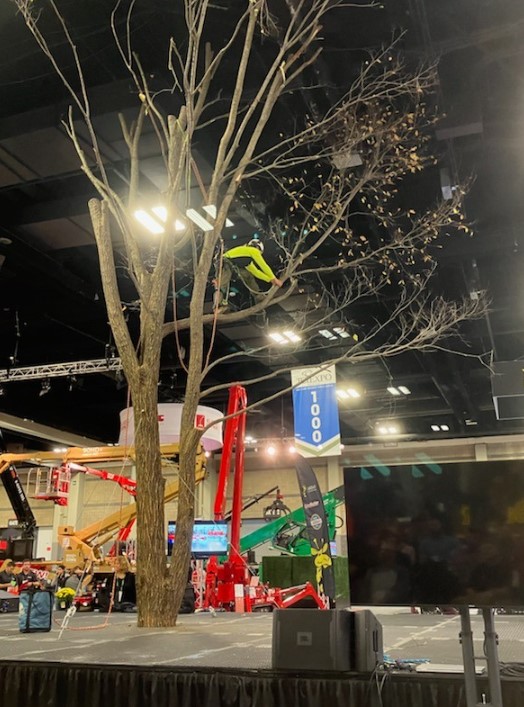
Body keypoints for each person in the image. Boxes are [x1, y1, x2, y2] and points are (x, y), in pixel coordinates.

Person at [214, 239, 283, 309]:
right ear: (258, 248)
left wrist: (270, 280)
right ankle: (218, 306)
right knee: (221, 285)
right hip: (225, 263)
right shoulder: (253, 250)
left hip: (231, 266)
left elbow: (256, 272)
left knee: (248, 276)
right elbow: (263, 266)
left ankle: (258, 295)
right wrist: (274, 279)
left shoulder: (246, 255)